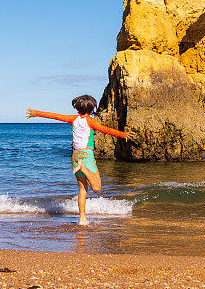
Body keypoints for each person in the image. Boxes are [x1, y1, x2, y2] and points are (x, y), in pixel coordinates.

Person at [26, 95, 134, 225]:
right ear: (92, 108)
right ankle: (82, 167)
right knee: (96, 188)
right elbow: (106, 130)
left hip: (75, 155)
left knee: (82, 189)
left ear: (77, 107)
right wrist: (123, 134)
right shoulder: (91, 121)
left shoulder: (73, 119)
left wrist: (36, 113)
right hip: (86, 155)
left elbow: (55, 116)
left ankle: (82, 219)